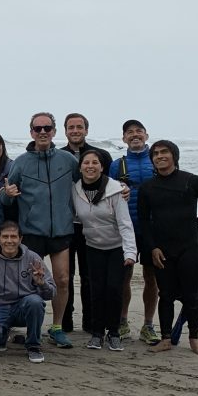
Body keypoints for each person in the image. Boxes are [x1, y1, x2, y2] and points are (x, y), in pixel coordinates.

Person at [0, 113, 78, 349]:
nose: (42, 132)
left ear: (54, 131)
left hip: (61, 230)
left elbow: (88, 183)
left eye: (47, 128)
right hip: (32, 232)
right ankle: (30, 327)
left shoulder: (68, 160)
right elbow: (7, 196)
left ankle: (57, 328)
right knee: (30, 283)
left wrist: (119, 188)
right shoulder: (21, 162)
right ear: (31, 132)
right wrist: (6, 194)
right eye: (38, 128)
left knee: (62, 280)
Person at [140, 141, 198, 355]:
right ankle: (166, 338)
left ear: (174, 156)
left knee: (191, 296)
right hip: (162, 249)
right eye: (155, 154)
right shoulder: (147, 187)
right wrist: (152, 248)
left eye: (164, 152)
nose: (159, 156)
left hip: (189, 247)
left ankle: (194, 339)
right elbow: (144, 221)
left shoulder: (192, 181)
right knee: (165, 295)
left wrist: (194, 224)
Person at [71, 150, 135, 351]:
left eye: (95, 163)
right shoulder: (75, 190)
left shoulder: (116, 190)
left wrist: (130, 253)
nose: (90, 166)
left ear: (102, 167)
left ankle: (114, 333)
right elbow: (74, 217)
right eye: (86, 163)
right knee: (96, 290)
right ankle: (97, 333)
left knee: (114, 289)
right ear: (80, 167)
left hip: (116, 247)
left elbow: (125, 223)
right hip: (93, 247)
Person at [59, 113, 114, 334]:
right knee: (66, 275)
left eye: (79, 127)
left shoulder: (101, 155)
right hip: (66, 223)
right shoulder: (59, 156)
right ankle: (65, 322)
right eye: (71, 127)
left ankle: (91, 322)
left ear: (86, 130)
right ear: (65, 131)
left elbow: (111, 184)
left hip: (93, 223)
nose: (75, 131)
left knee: (90, 275)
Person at [0, 222, 56, 363]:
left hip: (23, 308)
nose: (9, 241)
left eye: (13, 236)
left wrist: (41, 283)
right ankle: (2, 336)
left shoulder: (33, 258)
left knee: (35, 301)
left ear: (20, 239)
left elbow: (51, 294)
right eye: (5, 237)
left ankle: (33, 346)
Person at [109, 119, 160, 343]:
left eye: (139, 131)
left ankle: (148, 325)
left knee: (152, 277)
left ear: (146, 135)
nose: (135, 135)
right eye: (130, 132)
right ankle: (122, 322)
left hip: (153, 230)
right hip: (125, 229)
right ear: (124, 138)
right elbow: (108, 197)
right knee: (124, 277)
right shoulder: (116, 165)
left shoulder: (157, 160)